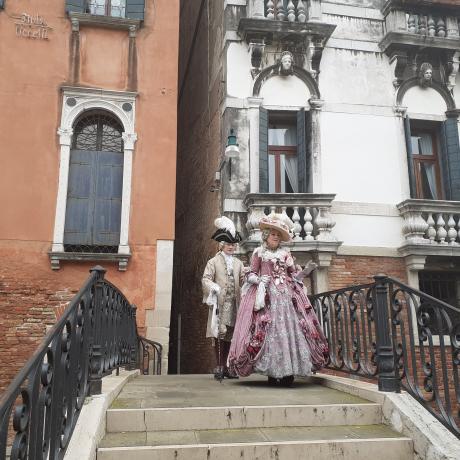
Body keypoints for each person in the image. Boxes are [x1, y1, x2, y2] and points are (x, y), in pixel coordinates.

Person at [228, 214, 329, 386]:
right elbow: (251, 273)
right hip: (267, 296)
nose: (276, 237)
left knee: (293, 330)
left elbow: (293, 275)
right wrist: (259, 280)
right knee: (270, 331)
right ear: (266, 235)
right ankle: (273, 374)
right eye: (273, 233)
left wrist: (307, 271)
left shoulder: (285, 254)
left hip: (287, 296)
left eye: (278, 234)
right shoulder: (259, 253)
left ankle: (289, 373)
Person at [202, 216, 245, 380]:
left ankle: (227, 367)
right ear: (222, 245)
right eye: (228, 244)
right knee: (219, 334)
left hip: (234, 304)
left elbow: (242, 281)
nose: (231, 247)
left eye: (233, 244)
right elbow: (205, 279)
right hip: (220, 304)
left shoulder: (238, 263)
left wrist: (248, 277)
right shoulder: (213, 262)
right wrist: (213, 287)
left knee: (230, 335)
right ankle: (219, 366)